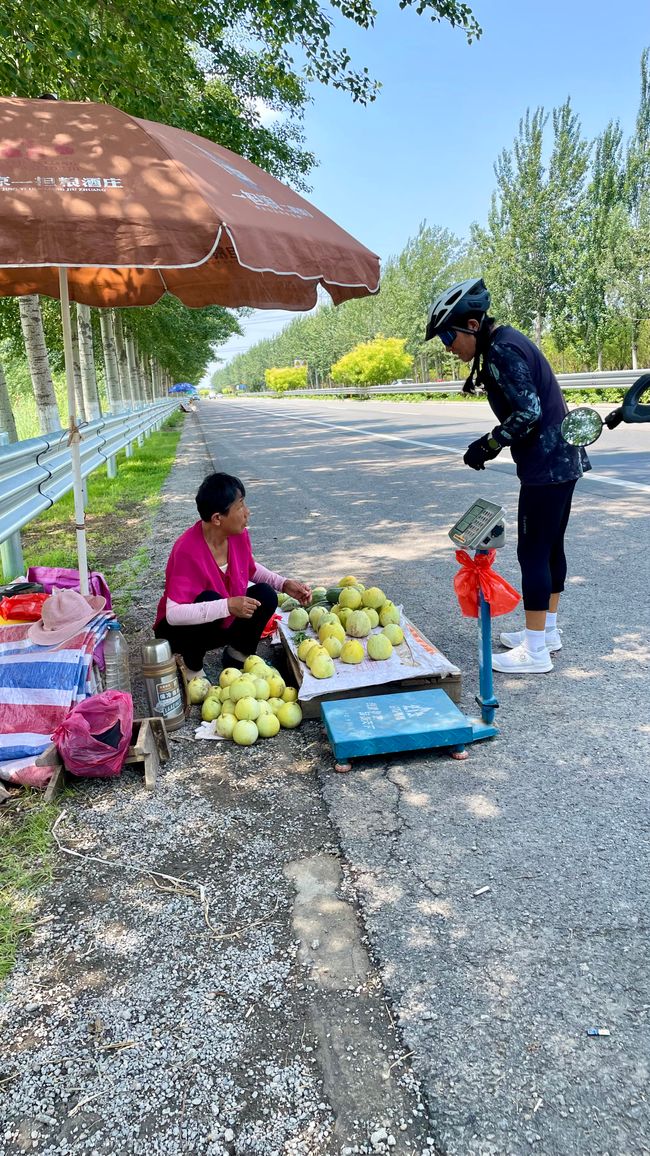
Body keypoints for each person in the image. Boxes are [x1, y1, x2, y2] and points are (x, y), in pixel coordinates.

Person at [425, 278, 590, 675]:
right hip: (560, 460)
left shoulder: (501, 349)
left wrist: (490, 443)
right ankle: (546, 631)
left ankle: (535, 652)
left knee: (532, 553)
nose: (448, 346)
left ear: (472, 325)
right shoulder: (505, 342)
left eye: (449, 335)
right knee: (550, 549)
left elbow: (528, 412)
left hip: (546, 465)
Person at [154, 472, 311, 677]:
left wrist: (284, 584)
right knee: (209, 598)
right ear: (217, 518)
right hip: (180, 632)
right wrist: (227, 606)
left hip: (219, 619)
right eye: (240, 506)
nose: (247, 512)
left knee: (265, 594)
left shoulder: (237, 535)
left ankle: (238, 654)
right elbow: (174, 615)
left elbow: (250, 568)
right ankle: (192, 666)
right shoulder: (186, 550)